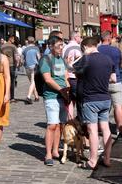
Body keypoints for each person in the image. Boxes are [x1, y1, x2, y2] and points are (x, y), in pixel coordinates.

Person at [73, 37, 114, 169]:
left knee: (93, 131)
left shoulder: (86, 59)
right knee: (106, 129)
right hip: (105, 99)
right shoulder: (108, 59)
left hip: (91, 100)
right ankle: (107, 158)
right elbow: (113, 78)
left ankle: (92, 160)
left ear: (84, 47)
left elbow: (73, 69)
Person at [40, 36, 70, 166]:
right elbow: (48, 79)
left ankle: (55, 150)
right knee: (52, 125)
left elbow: (65, 76)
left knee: (60, 124)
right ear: (51, 46)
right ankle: (48, 154)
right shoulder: (45, 60)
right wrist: (60, 90)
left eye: (62, 45)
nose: (61, 48)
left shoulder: (61, 60)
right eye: (59, 45)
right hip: (51, 95)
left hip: (62, 96)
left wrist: (67, 90)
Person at [98, 31, 122, 139]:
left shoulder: (97, 50)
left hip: (101, 82)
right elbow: (121, 64)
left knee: (102, 107)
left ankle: (101, 129)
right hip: (116, 81)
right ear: (109, 39)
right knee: (118, 107)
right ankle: (121, 131)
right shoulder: (116, 50)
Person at [62, 31, 82, 121]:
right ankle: (79, 122)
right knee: (78, 100)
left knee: (70, 100)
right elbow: (79, 61)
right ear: (75, 37)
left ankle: (69, 120)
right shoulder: (77, 47)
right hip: (74, 76)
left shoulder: (64, 47)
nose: (80, 38)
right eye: (79, 37)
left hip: (65, 76)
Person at [1, 35, 20, 103]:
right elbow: (16, 57)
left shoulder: (2, 46)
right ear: (10, 39)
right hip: (11, 65)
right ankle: (12, 97)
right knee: (12, 81)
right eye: (13, 39)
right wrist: (17, 64)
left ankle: (5, 95)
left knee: (4, 81)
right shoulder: (13, 46)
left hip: (3, 65)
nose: (14, 41)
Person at [22, 36, 41, 104]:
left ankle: (36, 96)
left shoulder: (25, 49)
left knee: (32, 82)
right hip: (34, 66)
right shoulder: (36, 48)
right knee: (33, 82)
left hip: (27, 67)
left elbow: (22, 59)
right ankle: (28, 97)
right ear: (34, 41)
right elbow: (39, 57)